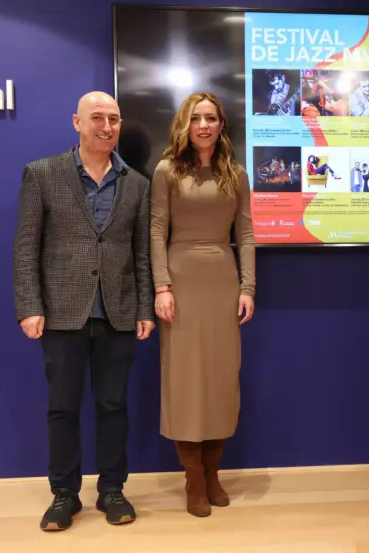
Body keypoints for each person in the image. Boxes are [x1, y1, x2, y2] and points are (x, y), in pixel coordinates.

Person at [13, 91, 155, 531]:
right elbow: (26, 248)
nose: (107, 126)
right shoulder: (42, 174)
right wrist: (29, 306)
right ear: (77, 122)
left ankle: (112, 489)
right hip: (60, 312)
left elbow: (141, 253)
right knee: (63, 407)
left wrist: (145, 306)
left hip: (119, 311)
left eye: (114, 118)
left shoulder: (137, 183)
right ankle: (64, 494)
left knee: (114, 405)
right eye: (97, 118)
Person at [150, 92, 256, 518]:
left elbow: (245, 234)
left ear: (221, 125)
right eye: (196, 118)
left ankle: (213, 472)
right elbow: (157, 231)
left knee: (219, 379)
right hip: (180, 281)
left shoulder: (236, 174)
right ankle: (192, 476)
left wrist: (248, 287)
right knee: (185, 380)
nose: (204, 125)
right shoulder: (167, 170)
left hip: (223, 282)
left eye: (211, 118)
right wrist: (162, 286)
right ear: (185, 124)